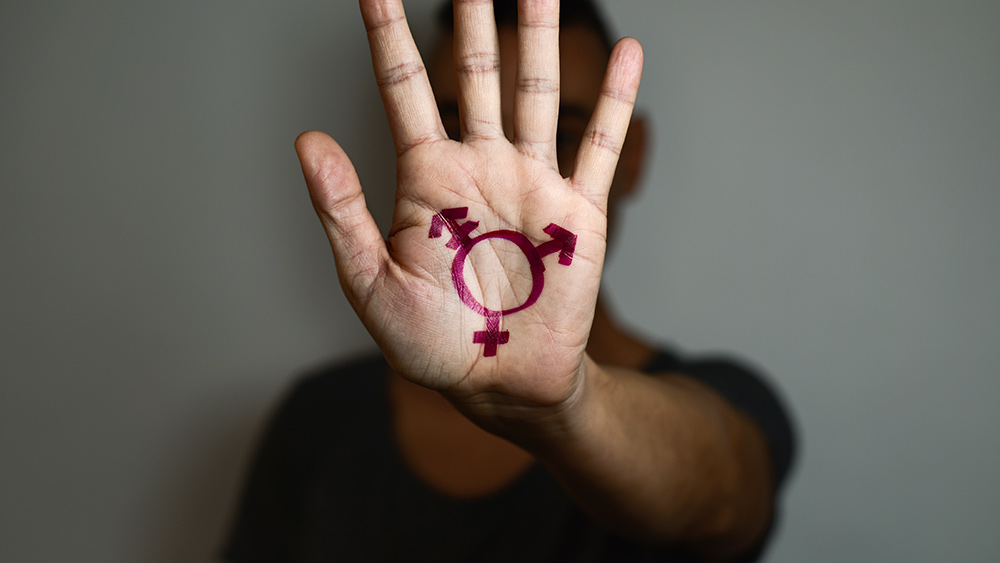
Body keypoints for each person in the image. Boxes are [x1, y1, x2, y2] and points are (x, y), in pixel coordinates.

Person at [224, 0, 795, 561]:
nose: (511, 178)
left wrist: (566, 407)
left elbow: (721, 490)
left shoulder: (724, 398)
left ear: (635, 153)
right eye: (459, 131)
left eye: (561, 134)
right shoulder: (319, 417)